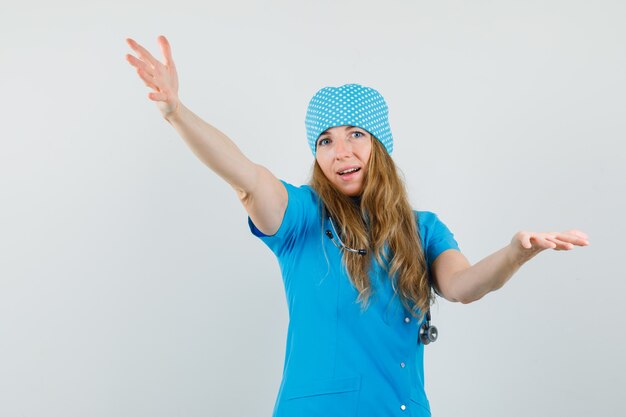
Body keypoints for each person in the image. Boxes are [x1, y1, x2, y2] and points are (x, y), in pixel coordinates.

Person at [125, 35, 590, 417]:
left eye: (355, 135)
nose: (340, 151)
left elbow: (463, 286)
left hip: (403, 408)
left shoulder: (422, 229)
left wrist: (516, 252)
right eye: (325, 141)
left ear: (380, 146)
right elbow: (246, 178)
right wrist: (176, 113)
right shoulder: (301, 218)